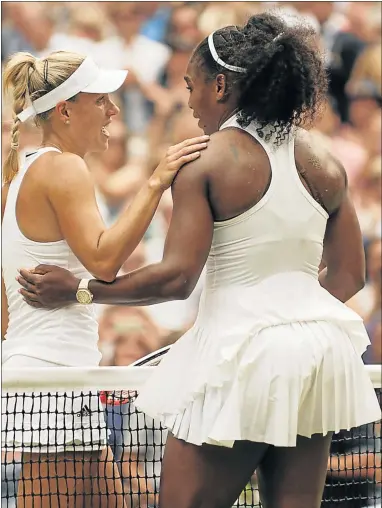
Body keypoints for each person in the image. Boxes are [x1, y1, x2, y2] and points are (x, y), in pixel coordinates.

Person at [17, 13, 381, 508]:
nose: (188, 102)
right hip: (318, 356)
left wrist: (81, 290)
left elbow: (177, 280)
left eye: (192, 86)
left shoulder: (205, 160)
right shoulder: (327, 161)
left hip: (238, 361)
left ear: (221, 85)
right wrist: (286, 313)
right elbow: (348, 276)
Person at [1, 49, 208, 508]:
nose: (113, 111)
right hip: (53, 379)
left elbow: (4, 312)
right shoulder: (62, 166)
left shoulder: (21, 177)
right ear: (66, 110)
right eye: (101, 101)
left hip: (51, 376)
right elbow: (104, 261)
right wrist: (156, 182)